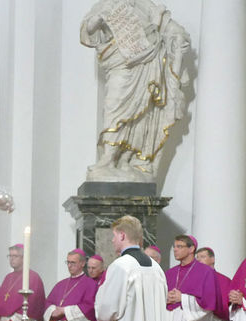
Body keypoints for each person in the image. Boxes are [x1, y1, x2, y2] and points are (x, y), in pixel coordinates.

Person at [81, 0, 190, 183]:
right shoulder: (107, 4)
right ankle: (107, 159)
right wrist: (97, 21)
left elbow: (173, 29)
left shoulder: (145, 5)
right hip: (121, 65)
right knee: (113, 108)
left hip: (147, 67)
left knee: (141, 117)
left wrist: (178, 37)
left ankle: (126, 160)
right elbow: (89, 29)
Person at [164, 234, 218, 321]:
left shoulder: (206, 272)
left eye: (179, 246)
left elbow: (209, 303)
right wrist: (166, 298)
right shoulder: (170, 272)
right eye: (174, 246)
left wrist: (182, 298)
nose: (175, 249)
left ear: (191, 249)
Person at [0, 244, 45, 321]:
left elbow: (33, 306)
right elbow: (0, 303)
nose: (11, 259)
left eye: (15, 256)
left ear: (24, 258)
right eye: (10, 256)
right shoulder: (8, 277)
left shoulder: (33, 277)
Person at [42, 249, 98, 321]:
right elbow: (47, 302)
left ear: (83, 263)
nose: (69, 266)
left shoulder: (91, 284)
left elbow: (90, 307)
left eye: (73, 263)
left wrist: (64, 311)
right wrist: (52, 311)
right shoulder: (60, 284)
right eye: (67, 262)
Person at [195, 245, 231, 321]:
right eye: (197, 258)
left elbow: (224, 306)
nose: (198, 260)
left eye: (202, 257)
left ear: (212, 259)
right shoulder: (194, 280)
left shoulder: (224, 280)